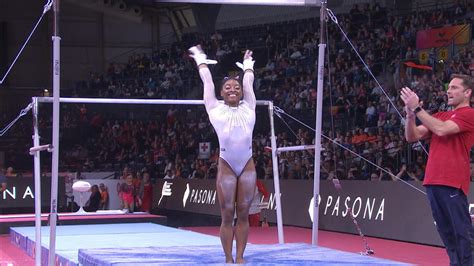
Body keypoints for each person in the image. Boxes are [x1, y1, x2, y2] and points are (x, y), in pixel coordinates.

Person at [189, 45, 257, 264]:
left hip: (247, 164)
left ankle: (240, 257)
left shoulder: (250, 106)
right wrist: (200, 58)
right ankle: (228, 257)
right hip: (227, 164)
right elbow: (207, 81)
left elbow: (248, 81)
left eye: (235, 87)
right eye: (227, 87)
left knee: (244, 213)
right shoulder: (214, 107)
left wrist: (247, 64)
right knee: (228, 213)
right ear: (221, 93)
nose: (232, 89)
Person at [401, 74, 474, 265]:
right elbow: (413, 136)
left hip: (452, 181)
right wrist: (410, 115)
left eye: (454, 88)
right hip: (433, 182)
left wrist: (417, 108)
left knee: (462, 234)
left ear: (467, 93)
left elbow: (441, 130)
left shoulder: (469, 114)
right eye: (448, 87)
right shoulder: (439, 115)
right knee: (448, 236)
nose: (448, 91)